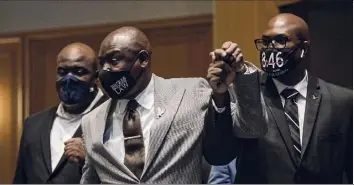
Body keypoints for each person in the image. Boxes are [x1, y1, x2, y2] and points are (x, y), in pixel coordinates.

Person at [79, 26, 266, 183]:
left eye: (114, 60)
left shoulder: (190, 92)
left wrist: (238, 76)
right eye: (101, 63)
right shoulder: (91, 121)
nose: (105, 70)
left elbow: (251, 129)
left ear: (143, 59)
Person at [205, 13, 353, 183]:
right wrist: (219, 96)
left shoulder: (342, 102)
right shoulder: (245, 95)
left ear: (303, 49)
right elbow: (218, 155)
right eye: (266, 41)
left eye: (280, 40)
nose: (270, 48)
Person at [13, 43, 108, 183]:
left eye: (79, 72)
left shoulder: (117, 118)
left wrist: (93, 163)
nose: (69, 79)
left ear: (96, 77)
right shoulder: (33, 124)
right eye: (62, 72)